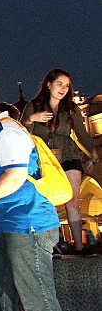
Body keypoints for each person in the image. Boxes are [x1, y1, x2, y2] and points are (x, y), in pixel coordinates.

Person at [0, 86, 67, 311]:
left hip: (26, 225)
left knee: (38, 304)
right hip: (5, 228)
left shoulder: (8, 131)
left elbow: (15, 176)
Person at [21, 69, 96, 253]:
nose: (63, 88)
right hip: (45, 158)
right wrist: (31, 119)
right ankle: (51, 245)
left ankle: (79, 245)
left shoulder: (70, 108)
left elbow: (81, 132)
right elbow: (20, 131)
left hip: (69, 155)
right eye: (59, 84)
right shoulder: (34, 105)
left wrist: (93, 153)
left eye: (67, 85)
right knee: (48, 202)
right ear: (49, 84)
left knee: (73, 201)